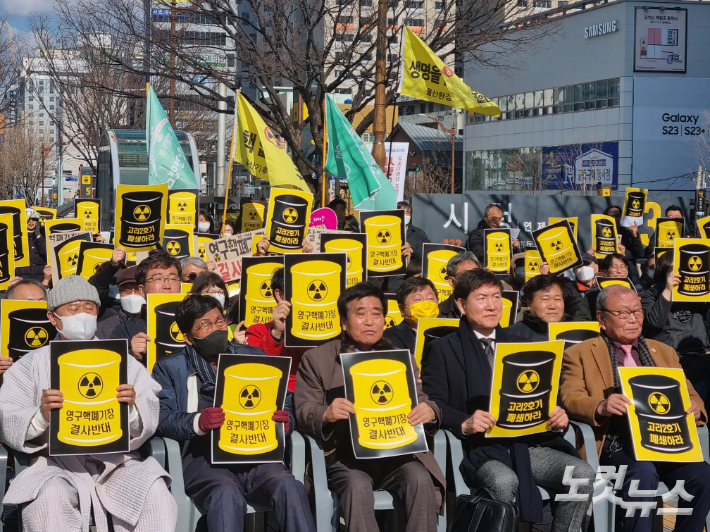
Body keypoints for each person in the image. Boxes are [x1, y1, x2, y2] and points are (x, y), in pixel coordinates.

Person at [0, 275, 177, 532]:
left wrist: (131, 409)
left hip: (117, 460)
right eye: (73, 308)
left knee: (156, 494)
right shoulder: (29, 365)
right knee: (47, 500)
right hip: (55, 464)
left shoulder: (122, 361)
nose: (82, 314)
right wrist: (41, 415)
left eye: (89, 307)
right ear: (53, 318)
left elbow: (149, 407)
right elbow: (8, 415)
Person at [422, 269, 595, 530]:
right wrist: (465, 422)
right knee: (503, 481)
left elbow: (543, 396)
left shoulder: (521, 345)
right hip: (477, 448)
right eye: (482, 298)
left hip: (526, 444)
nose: (492, 305)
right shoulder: (444, 348)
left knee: (582, 475)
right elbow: (436, 403)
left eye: (496, 297)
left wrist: (558, 414)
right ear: (461, 304)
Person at [152, 294, 315, 532]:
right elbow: (161, 417)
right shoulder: (169, 368)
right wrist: (197, 422)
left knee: (289, 485)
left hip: (255, 451)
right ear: (188, 337)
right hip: (202, 457)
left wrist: (285, 419)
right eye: (205, 325)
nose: (217, 329)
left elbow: (286, 400)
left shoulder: (252, 356)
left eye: (219, 321)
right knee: (226, 493)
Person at [295, 282, 446, 532]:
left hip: (395, 454)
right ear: (344, 322)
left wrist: (429, 412)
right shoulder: (317, 359)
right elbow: (302, 410)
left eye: (376, 314)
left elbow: (423, 400)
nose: (370, 321)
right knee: (357, 486)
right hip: (345, 457)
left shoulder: (401, 357)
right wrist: (326, 413)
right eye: (360, 313)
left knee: (419, 478)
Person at [560, 285, 710, 532]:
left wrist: (695, 408)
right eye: (623, 313)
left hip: (665, 438)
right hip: (616, 441)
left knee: (702, 475)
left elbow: (690, 393)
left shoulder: (664, 351)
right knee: (642, 473)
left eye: (637, 312)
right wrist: (601, 405)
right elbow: (570, 396)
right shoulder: (580, 353)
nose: (633, 319)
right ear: (602, 318)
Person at [640, 251, 710, 400]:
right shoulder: (650, 294)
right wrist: (668, 291)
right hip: (672, 356)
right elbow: (654, 322)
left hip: (700, 354)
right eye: (674, 268)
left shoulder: (697, 294)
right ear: (664, 271)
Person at [109, 250, 182, 360]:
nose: (167, 285)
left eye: (172, 278)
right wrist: (131, 355)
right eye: (158, 278)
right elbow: (112, 369)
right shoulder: (124, 331)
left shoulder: (197, 323)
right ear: (142, 290)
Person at [244, 268, 307, 392]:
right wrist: (276, 334)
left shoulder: (328, 330)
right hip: (281, 397)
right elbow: (256, 370)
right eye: (298, 289)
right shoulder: (256, 331)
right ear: (280, 295)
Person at [574, 253, 640, 321]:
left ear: (627, 271)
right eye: (615, 267)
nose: (619, 271)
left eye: (623, 266)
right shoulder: (592, 295)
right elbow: (581, 319)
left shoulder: (637, 294)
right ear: (605, 272)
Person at [508, 274, 573, 341]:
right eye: (545, 299)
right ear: (529, 303)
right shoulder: (511, 335)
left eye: (557, 299)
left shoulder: (576, 333)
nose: (552, 306)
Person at [384, 277, 440, 352]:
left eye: (430, 298)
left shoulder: (450, 333)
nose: (426, 304)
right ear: (401, 308)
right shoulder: (388, 338)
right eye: (418, 300)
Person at [97, 266, 143, 339]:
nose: (133, 295)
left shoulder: (159, 323)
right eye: (126, 290)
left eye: (138, 290)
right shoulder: (104, 328)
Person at [438, 251, 480, 319]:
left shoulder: (489, 310)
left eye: (476, 273)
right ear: (451, 281)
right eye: (465, 274)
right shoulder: (438, 313)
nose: (472, 278)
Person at [15, 209, 47, 282]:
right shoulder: (16, 237)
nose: (31, 221)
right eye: (28, 219)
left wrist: (38, 236)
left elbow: (46, 253)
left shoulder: (43, 235)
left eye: (34, 219)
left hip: (40, 280)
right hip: (22, 280)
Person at [398, 200, 431, 269]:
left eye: (407, 212)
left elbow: (429, 251)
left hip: (412, 272)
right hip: (394, 275)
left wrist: (412, 250)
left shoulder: (418, 233)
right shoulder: (388, 232)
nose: (405, 215)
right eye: (402, 212)